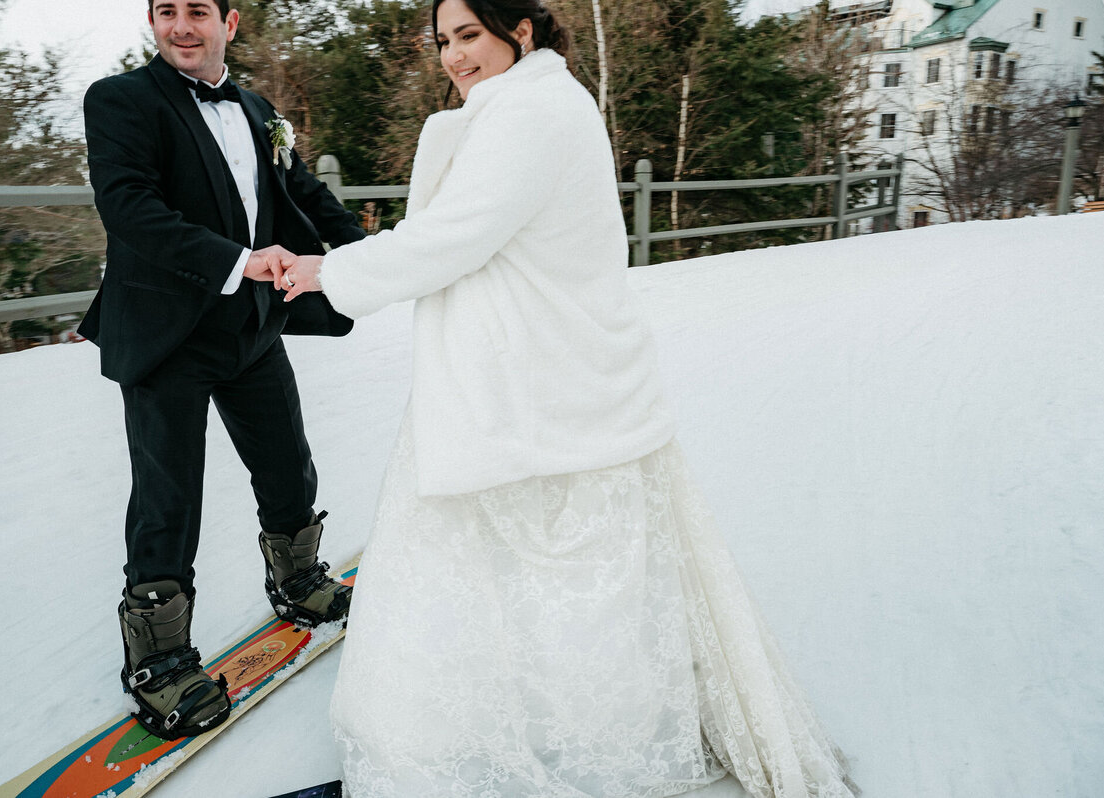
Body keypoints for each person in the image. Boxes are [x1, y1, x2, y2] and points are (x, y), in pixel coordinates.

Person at [279, 0, 859, 795]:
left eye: (470, 36)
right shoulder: (530, 106)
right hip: (526, 383)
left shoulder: (532, 114)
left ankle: (481, 760)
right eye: (443, 41)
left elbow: (453, 236)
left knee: (536, 584)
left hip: (535, 392)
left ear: (520, 30)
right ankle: (499, 742)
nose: (453, 56)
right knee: (526, 582)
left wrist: (326, 271)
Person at [80, 0, 362, 740]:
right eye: (165, 11)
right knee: (168, 498)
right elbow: (128, 206)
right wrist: (239, 262)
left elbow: (301, 193)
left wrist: (370, 260)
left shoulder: (258, 106)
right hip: (165, 336)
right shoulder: (119, 100)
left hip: (253, 328)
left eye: (197, 11)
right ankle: (160, 660)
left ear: (229, 22)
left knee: (287, 465)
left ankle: (298, 580)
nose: (181, 26)